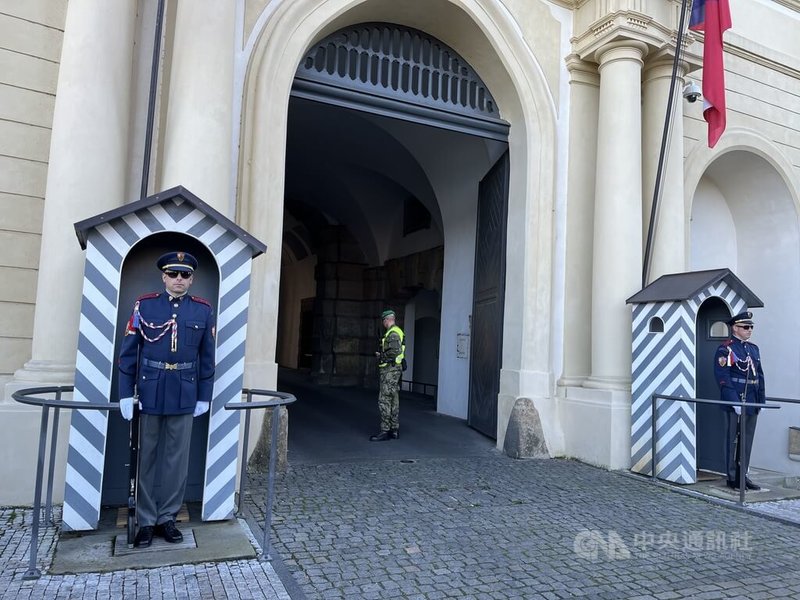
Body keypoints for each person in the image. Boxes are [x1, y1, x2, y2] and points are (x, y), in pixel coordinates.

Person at [118, 251, 216, 547]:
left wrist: (204, 395)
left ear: (191, 279)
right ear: (164, 277)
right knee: (146, 457)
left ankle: (167, 518)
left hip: (185, 391)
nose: (178, 280)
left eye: (185, 275)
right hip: (150, 390)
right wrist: (125, 393)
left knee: (177, 459)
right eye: (173, 274)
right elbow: (128, 352)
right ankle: (146, 520)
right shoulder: (145, 306)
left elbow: (207, 357)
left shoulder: (202, 310)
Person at [713, 310, 765, 491]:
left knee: (747, 439)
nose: (749, 330)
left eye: (751, 327)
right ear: (735, 328)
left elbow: (759, 376)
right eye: (745, 327)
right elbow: (723, 377)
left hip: (751, 399)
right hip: (735, 399)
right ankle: (732, 477)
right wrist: (734, 402)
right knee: (732, 440)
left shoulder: (753, 348)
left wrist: (761, 400)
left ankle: (744, 475)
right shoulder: (726, 348)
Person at [370, 309, 405, 442]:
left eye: (383, 321)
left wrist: (381, 356)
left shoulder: (393, 332)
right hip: (394, 370)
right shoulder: (396, 331)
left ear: (387, 320)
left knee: (384, 400)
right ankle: (394, 430)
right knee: (393, 399)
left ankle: (385, 431)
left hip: (390, 370)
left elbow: (394, 352)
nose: (383, 323)